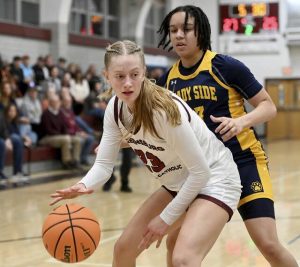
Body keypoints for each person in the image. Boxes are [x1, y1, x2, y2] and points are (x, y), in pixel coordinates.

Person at [50, 40, 242, 267]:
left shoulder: (162, 110)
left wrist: (165, 219)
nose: (127, 83)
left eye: (134, 74)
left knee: (183, 260)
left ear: (144, 73)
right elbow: (103, 165)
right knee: (124, 250)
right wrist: (83, 184)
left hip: (215, 179)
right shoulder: (114, 108)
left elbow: (200, 173)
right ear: (107, 76)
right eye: (119, 76)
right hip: (179, 183)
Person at [157, 5, 298, 267]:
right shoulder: (167, 80)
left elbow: (269, 106)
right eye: (173, 30)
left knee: (268, 243)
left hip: (244, 162)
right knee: (174, 244)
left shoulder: (225, 66)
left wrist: (241, 122)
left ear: (201, 31)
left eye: (186, 29)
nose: (178, 35)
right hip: (204, 171)